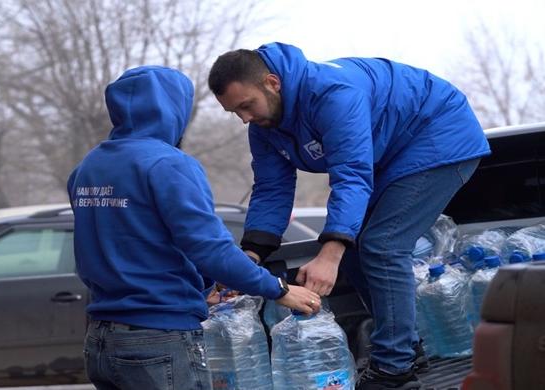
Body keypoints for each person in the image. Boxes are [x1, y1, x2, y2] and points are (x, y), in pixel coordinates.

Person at [208, 43, 490, 390]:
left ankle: (394, 370)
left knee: (382, 245)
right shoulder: (264, 128)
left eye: (246, 105)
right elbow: (271, 188)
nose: (244, 119)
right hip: (387, 156)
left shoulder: (332, 95)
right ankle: (405, 346)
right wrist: (251, 255)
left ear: (272, 83)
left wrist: (330, 252)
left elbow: (352, 174)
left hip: (438, 136)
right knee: (356, 249)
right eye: (234, 112)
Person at [67, 65, 321, 390]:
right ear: (174, 107)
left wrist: (202, 290)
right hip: (159, 340)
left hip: (101, 341)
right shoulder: (169, 163)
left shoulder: (88, 167)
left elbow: (133, 242)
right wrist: (279, 290)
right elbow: (208, 247)